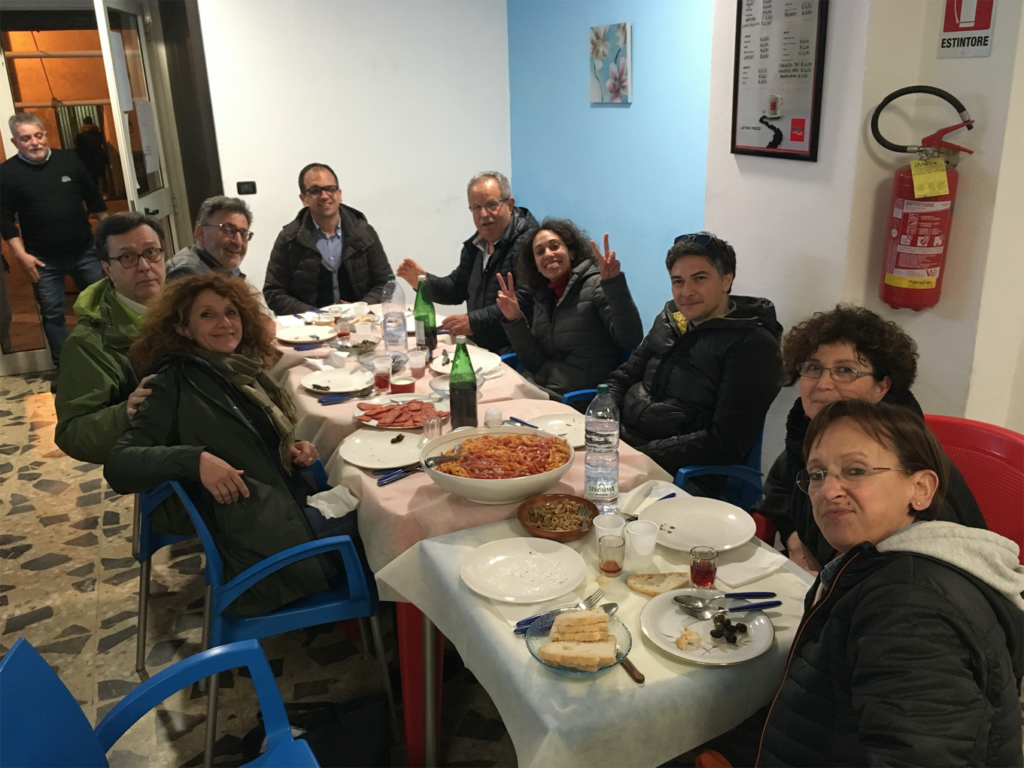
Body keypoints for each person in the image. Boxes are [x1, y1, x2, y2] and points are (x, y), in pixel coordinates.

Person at [697, 399, 1024, 768]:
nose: (828, 490)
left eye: (855, 470)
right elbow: (813, 707)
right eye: (817, 474)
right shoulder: (874, 567)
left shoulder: (910, 613)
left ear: (921, 488)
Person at [104, 272, 358, 616]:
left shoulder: (236, 370)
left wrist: (288, 448)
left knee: (370, 499)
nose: (224, 323)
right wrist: (194, 460)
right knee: (384, 522)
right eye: (206, 315)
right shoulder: (171, 382)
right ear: (182, 328)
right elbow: (120, 465)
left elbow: (243, 436)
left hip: (279, 512)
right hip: (259, 546)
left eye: (231, 312)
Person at [753, 304, 986, 575]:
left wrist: (837, 583)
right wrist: (795, 540)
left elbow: (926, 580)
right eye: (814, 367)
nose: (824, 384)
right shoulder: (808, 435)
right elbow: (782, 485)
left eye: (846, 371)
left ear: (881, 387)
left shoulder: (904, 465)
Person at [606, 232, 782, 494]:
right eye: (678, 281)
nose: (686, 292)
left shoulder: (752, 346)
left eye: (699, 278)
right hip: (623, 449)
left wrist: (640, 454)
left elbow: (725, 442)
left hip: (681, 476)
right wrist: (604, 424)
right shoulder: (669, 319)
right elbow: (622, 378)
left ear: (726, 279)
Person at [54, 212, 165, 465]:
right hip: (165, 462)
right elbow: (73, 433)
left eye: (151, 252)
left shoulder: (190, 309)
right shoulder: (89, 342)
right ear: (107, 268)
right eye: (127, 257)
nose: (144, 266)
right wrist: (128, 412)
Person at [0, 113, 108, 369]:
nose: (35, 142)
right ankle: (67, 368)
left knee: (102, 306)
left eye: (39, 135)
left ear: (45, 135)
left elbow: (94, 199)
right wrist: (22, 256)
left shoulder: (69, 160)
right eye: (26, 138)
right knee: (53, 315)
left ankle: (109, 360)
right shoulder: (7, 174)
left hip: (85, 251)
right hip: (43, 261)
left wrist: (112, 234)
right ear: (16, 142)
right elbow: (4, 220)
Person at [494, 218, 642, 399]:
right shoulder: (543, 298)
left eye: (554, 246)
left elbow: (630, 339)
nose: (548, 254)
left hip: (577, 398)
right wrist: (514, 319)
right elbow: (536, 363)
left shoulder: (596, 286)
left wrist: (614, 284)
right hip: (542, 388)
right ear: (535, 265)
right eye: (539, 252)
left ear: (571, 252)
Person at [396, 171, 538, 354]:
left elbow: (525, 301)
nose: (484, 214)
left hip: (514, 351)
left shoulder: (531, 243)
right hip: (479, 346)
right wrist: (424, 282)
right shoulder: (476, 245)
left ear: (510, 205)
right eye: (476, 207)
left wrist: (473, 322)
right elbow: (457, 288)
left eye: (491, 205)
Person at [263, 163, 391, 314]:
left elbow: (385, 283)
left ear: (339, 194)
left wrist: (360, 308)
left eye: (330, 189)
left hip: (360, 323)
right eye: (315, 191)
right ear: (303, 198)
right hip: (308, 329)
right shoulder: (289, 239)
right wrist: (315, 314)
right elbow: (274, 292)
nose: (324, 196)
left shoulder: (364, 233)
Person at [165, 195, 255, 281]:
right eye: (228, 230)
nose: (238, 242)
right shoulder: (188, 275)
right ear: (201, 233)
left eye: (243, 233)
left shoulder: (220, 269)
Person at [74, 116, 109, 196]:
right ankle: (105, 193)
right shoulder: (99, 133)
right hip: (99, 156)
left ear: (84, 123)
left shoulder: (81, 135)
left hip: (88, 157)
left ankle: (95, 193)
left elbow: (79, 146)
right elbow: (102, 143)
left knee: (92, 176)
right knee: (101, 175)